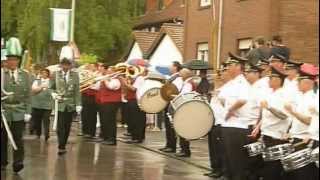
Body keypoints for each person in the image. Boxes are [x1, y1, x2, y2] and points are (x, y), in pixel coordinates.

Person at [218, 52, 254, 180]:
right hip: (228, 125)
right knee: (228, 159)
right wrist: (228, 109)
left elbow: (243, 100)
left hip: (238, 127)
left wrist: (230, 110)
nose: (227, 68)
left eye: (230, 65)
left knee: (237, 162)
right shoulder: (231, 83)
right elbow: (221, 98)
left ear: (238, 67)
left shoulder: (242, 83)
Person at [253, 67, 291, 180]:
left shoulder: (284, 95)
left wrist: (269, 107)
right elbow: (265, 115)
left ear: (278, 80)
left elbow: (284, 115)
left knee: (273, 169)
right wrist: (258, 127)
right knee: (264, 167)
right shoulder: (270, 93)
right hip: (266, 134)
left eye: (271, 78)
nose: (268, 80)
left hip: (276, 137)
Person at [1, 37, 32, 173]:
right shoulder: (1, 74)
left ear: (18, 61)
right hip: (4, 111)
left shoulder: (25, 75)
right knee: (2, 138)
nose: (12, 62)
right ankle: (2, 161)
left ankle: (18, 162)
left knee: (18, 137)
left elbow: (28, 95)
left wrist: (28, 111)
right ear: (6, 61)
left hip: (19, 111)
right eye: (10, 59)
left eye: (14, 59)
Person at [283, 63, 318, 180]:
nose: (297, 84)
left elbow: (309, 121)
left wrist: (293, 112)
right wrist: (289, 132)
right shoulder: (300, 97)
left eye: (299, 81)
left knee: (304, 175)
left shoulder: (312, 99)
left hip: (305, 142)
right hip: (296, 139)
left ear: (307, 83)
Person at [49, 58, 82, 155]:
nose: (65, 67)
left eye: (67, 65)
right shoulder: (55, 74)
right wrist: (53, 94)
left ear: (70, 66)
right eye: (64, 65)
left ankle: (63, 143)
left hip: (70, 103)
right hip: (60, 103)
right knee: (60, 126)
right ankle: (61, 145)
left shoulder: (75, 75)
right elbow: (51, 87)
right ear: (61, 65)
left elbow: (77, 91)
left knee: (67, 125)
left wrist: (78, 104)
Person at [205, 63, 230, 178]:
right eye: (219, 73)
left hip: (221, 122)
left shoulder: (226, 89)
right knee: (213, 147)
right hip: (213, 121)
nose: (219, 76)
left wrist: (218, 95)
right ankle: (214, 168)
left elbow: (226, 106)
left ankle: (221, 170)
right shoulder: (216, 89)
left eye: (221, 73)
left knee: (220, 148)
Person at [93, 64, 122, 145]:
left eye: (110, 71)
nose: (108, 72)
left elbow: (111, 87)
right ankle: (105, 137)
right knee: (104, 121)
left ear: (114, 72)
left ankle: (111, 139)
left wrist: (105, 79)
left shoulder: (116, 80)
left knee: (110, 121)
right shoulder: (108, 79)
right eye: (108, 71)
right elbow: (96, 87)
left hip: (112, 102)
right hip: (104, 102)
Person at [159, 61, 183, 153]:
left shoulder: (178, 79)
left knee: (170, 125)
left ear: (175, 67)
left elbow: (175, 90)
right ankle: (168, 144)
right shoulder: (172, 78)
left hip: (173, 102)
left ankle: (172, 146)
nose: (169, 68)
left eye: (170, 66)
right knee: (167, 125)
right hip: (168, 102)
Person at [121, 66, 148, 143]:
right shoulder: (136, 78)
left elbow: (134, 89)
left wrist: (125, 83)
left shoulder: (140, 79)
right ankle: (134, 136)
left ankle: (137, 137)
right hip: (132, 99)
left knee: (137, 119)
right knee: (133, 119)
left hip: (136, 100)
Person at [174, 68, 196, 158]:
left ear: (186, 75)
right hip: (185, 108)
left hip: (185, 108)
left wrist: (175, 96)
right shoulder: (187, 83)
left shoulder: (188, 84)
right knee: (182, 129)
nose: (180, 75)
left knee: (183, 129)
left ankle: (185, 150)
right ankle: (183, 149)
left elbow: (185, 96)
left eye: (181, 74)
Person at [31, 68, 52, 141]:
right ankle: (38, 134)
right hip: (37, 104)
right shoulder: (36, 81)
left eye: (46, 73)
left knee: (46, 120)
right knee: (37, 121)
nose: (44, 74)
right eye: (42, 73)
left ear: (48, 74)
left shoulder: (51, 82)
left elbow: (54, 91)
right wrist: (42, 87)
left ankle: (46, 134)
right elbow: (33, 90)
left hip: (47, 105)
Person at [80, 64, 98, 139]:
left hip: (92, 96)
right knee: (84, 114)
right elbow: (81, 82)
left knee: (91, 115)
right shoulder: (86, 73)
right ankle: (85, 131)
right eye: (89, 66)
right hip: (84, 95)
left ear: (96, 67)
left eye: (92, 66)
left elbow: (96, 86)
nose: (90, 68)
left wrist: (89, 82)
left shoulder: (97, 75)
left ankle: (91, 132)